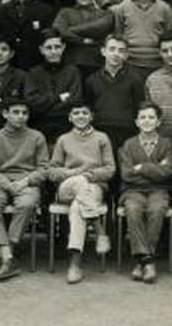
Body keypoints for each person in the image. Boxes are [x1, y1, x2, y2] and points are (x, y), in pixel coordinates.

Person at [0, 97, 48, 281]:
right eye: (15, 112)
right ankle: (8, 257)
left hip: (27, 182)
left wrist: (25, 182)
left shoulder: (37, 137)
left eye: (24, 113)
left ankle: (4, 256)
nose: (20, 116)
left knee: (27, 204)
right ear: (5, 114)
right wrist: (8, 185)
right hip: (1, 182)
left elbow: (44, 168)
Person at [49, 102, 115, 284]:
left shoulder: (102, 138)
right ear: (70, 117)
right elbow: (52, 171)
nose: (80, 116)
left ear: (91, 116)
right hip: (67, 188)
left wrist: (88, 175)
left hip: (93, 187)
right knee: (79, 182)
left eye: (84, 113)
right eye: (76, 113)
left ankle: (75, 264)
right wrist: (74, 174)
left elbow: (110, 169)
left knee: (78, 208)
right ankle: (100, 231)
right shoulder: (63, 139)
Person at [119, 101, 172, 283]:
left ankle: (141, 262)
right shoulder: (129, 144)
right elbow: (127, 174)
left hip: (159, 190)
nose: (147, 121)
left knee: (157, 209)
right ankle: (148, 262)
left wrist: (142, 167)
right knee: (133, 209)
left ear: (159, 122)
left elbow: (168, 172)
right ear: (136, 122)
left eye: (151, 117)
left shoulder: (166, 144)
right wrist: (156, 169)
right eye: (142, 117)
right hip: (133, 191)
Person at [84, 34, 145, 164]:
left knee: (124, 168)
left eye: (121, 50)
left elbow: (139, 107)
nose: (116, 54)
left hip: (127, 133)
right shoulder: (91, 80)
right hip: (100, 132)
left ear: (126, 55)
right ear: (103, 51)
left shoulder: (135, 79)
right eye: (112, 49)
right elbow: (89, 109)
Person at [114, 0, 172, 83]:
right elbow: (119, 34)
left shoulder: (165, 8)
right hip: (130, 63)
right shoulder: (123, 8)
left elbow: (168, 37)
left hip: (157, 65)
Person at [24, 29, 83, 146]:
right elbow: (32, 101)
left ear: (63, 47)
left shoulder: (73, 71)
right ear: (41, 49)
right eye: (49, 48)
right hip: (40, 125)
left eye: (57, 47)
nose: (53, 51)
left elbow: (74, 99)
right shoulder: (34, 73)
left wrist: (46, 104)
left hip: (66, 125)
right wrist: (59, 98)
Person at [53, 0, 115, 81]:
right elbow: (59, 30)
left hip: (97, 65)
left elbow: (98, 28)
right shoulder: (65, 13)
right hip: (71, 65)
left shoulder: (104, 14)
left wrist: (71, 30)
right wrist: (82, 40)